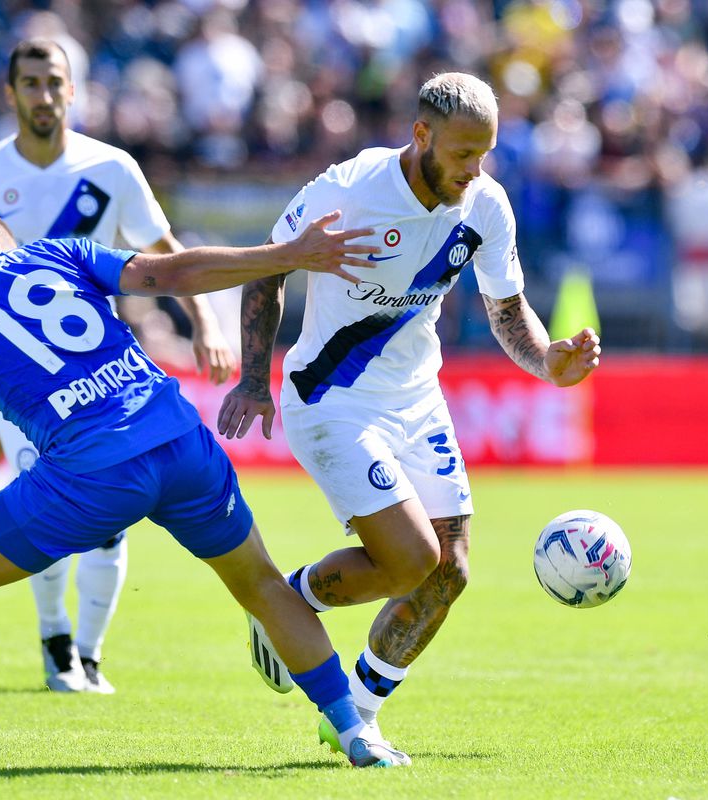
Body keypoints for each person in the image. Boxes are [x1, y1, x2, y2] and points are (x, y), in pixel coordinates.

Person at [0, 206, 411, 768]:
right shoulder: (55, 253)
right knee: (263, 586)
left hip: (91, 473)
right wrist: (285, 253)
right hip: (181, 441)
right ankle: (358, 733)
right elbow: (169, 273)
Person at [218, 73, 601, 750]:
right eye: (462, 154)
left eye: (484, 154)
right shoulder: (348, 191)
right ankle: (288, 600)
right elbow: (268, 269)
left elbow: (507, 310)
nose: (473, 170)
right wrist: (254, 377)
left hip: (418, 397)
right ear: (420, 135)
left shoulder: (484, 204)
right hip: (332, 398)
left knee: (449, 569)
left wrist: (548, 360)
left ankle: (357, 713)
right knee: (410, 561)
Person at [0, 39, 237, 695]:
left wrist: (204, 319)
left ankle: (87, 654)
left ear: (75, 90)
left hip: (99, 372)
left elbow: (164, 249)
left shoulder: (112, 169)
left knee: (108, 523)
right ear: (10, 94)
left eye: (55, 82)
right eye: (30, 83)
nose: (44, 95)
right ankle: (56, 640)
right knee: (41, 502)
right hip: (17, 381)